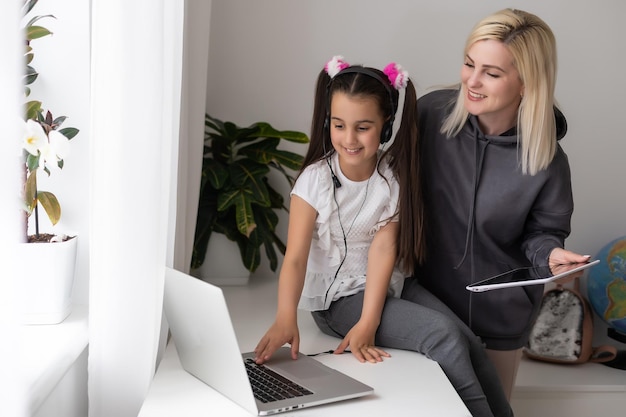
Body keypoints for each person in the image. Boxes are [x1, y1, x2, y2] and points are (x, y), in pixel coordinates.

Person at [254, 55, 513, 417]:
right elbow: (296, 257)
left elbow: (383, 248)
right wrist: (286, 317)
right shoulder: (314, 182)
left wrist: (370, 319)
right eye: (339, 125)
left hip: (388, 282)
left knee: (469, 340)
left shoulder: (392, 175)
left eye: (363, 127)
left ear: (386, 126)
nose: (349, 139)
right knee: (444, 337)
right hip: (338, 300)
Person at [412, 8, 591, 400]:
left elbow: (542, 234)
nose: (472, 82)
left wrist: (553, 255)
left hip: (500, 320)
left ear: (527, 82)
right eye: (468, 64)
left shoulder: (547, 160)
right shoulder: (428, 116)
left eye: (491, 73)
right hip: (423, 307)